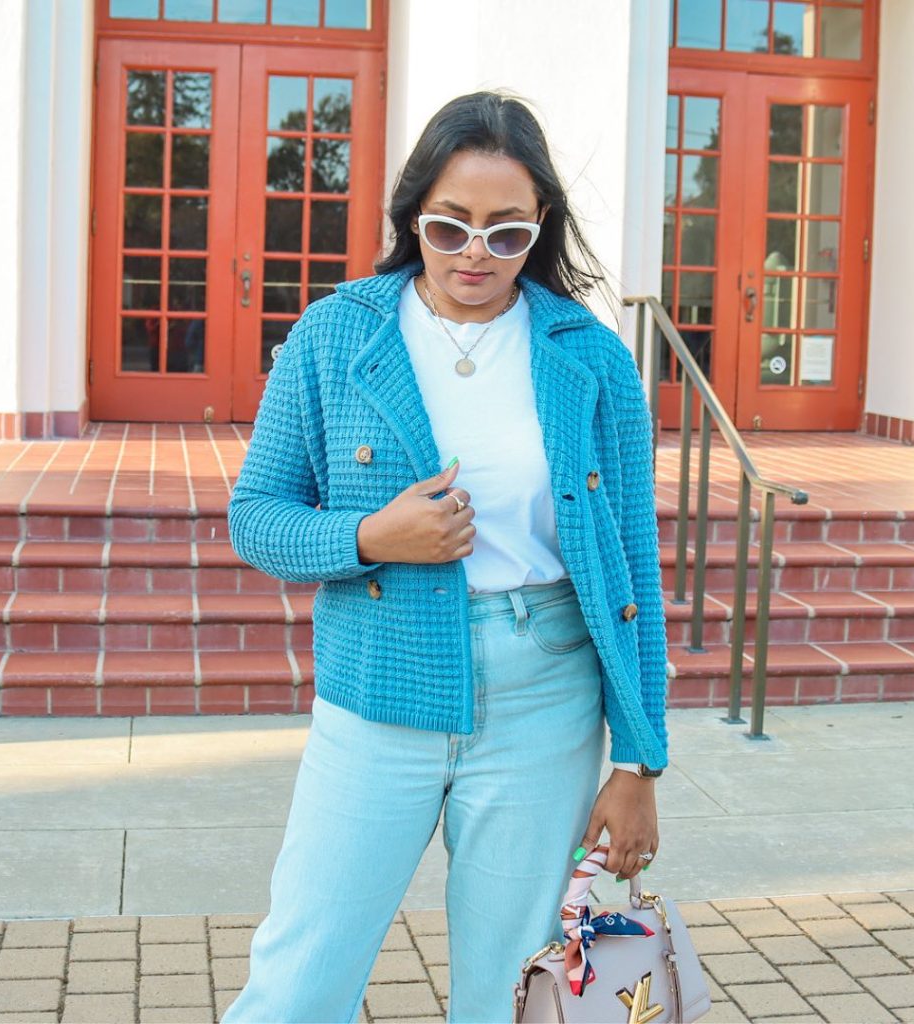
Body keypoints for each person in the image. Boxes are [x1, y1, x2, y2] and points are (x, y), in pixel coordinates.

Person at [221, 89, 669, 1024]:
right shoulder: (340, 333)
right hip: (380, 681)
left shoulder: (590, 354)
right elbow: (255, 516)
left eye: (506, 234)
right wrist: (367, 536)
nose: (476, 253)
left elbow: (632, 562)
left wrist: (639, 763)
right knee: (302, 969)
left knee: (512, 984)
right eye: (450, 226)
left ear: (539, 227)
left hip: (545, 692)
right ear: (412, 215)